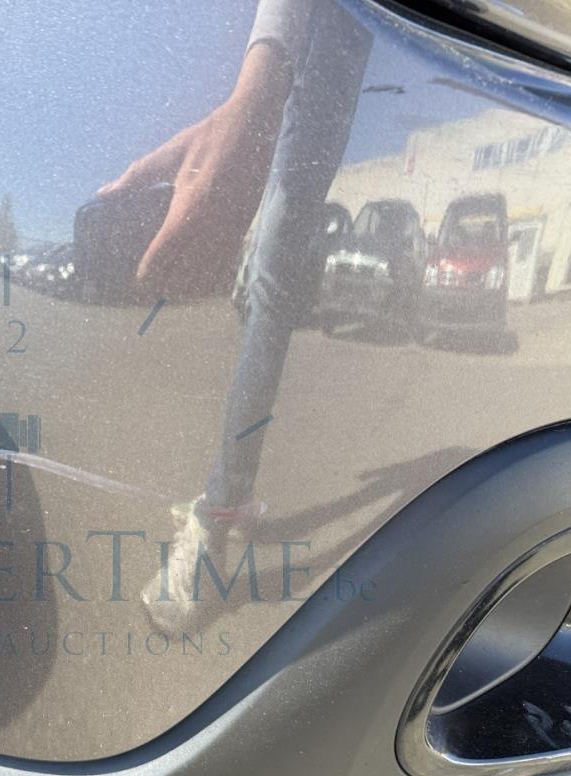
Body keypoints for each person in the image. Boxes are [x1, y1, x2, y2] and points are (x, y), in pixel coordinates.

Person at [97, 1, 372, 617]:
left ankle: (219, 513)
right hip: (322, 53)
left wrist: (255, 96)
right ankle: (235, 497)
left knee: (270, 281)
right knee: (262, 281)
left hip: (330, 46)